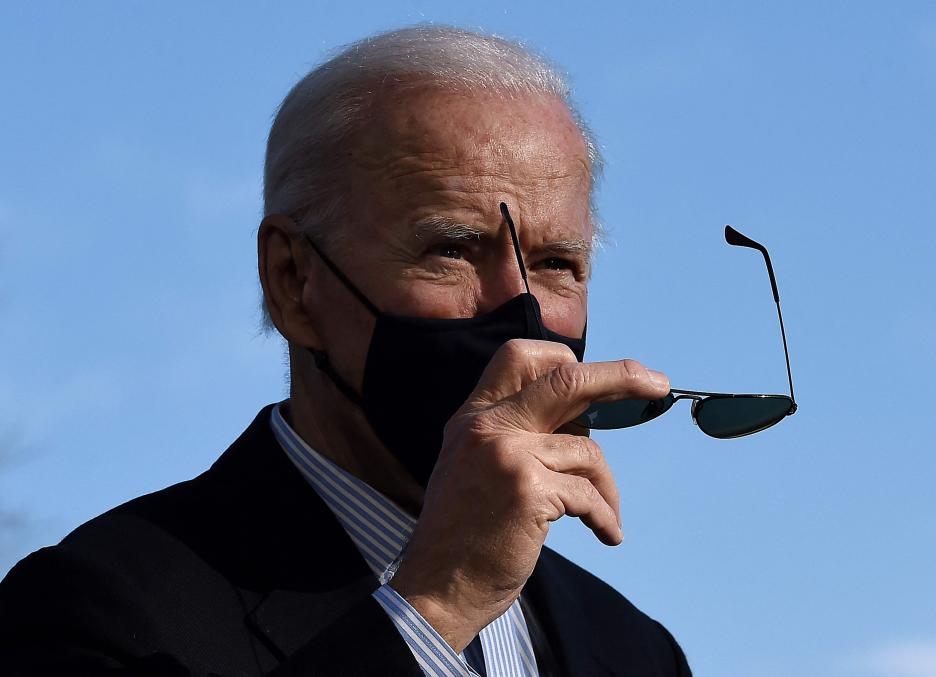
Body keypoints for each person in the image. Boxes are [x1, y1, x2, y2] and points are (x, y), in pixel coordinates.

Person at [0, 25, 692, 676]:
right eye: (451, 249)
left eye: (556, 263)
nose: (522, 312)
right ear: (293, 281)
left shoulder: (632, 648)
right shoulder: (93, 605)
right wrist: (436, 605)